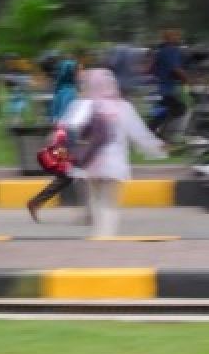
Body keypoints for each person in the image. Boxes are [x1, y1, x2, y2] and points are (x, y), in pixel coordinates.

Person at [61, 68, 167, 237]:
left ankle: (97, 234)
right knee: (109, 202)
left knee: (95, 198)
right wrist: (156, 147)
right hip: (113, 163)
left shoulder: (83, 105)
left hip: (90, 160)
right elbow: (139, 134)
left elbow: (68, 128)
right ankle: (106, 236)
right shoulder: (123, 107)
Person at [148, 30, 189, 137]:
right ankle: (164, 132)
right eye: (176, 36)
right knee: (180, 109)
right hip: (169, 88)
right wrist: (187, 79)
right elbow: (176, 69)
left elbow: (151, 69)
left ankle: (153, 131)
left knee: (164, 110)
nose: (178, 38)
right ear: (169, 39)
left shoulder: (160, 51)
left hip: (161, 87)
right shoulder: (172, 50)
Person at [48, 58, 78, 122]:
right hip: (66, 126)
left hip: (59, 125)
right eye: (75, 72)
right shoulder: (70, 91)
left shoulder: (59, 90)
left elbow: (53, 113)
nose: (77, 74)